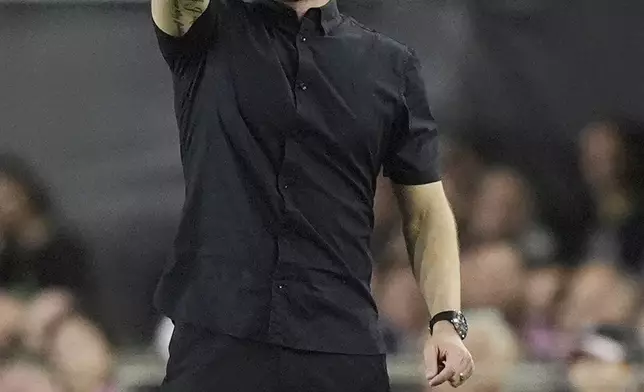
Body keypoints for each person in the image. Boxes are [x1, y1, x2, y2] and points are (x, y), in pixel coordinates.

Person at [151, 0, 473, 391]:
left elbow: (425, 210)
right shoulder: (208, 26)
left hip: (340, 345)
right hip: (219, 338)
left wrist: (446, 321)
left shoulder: (391, 65)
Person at [0, 154, 94, 315]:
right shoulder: (8, 251)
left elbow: (73, 291)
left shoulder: (58, 243)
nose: (7, 209)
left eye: (10, 199)